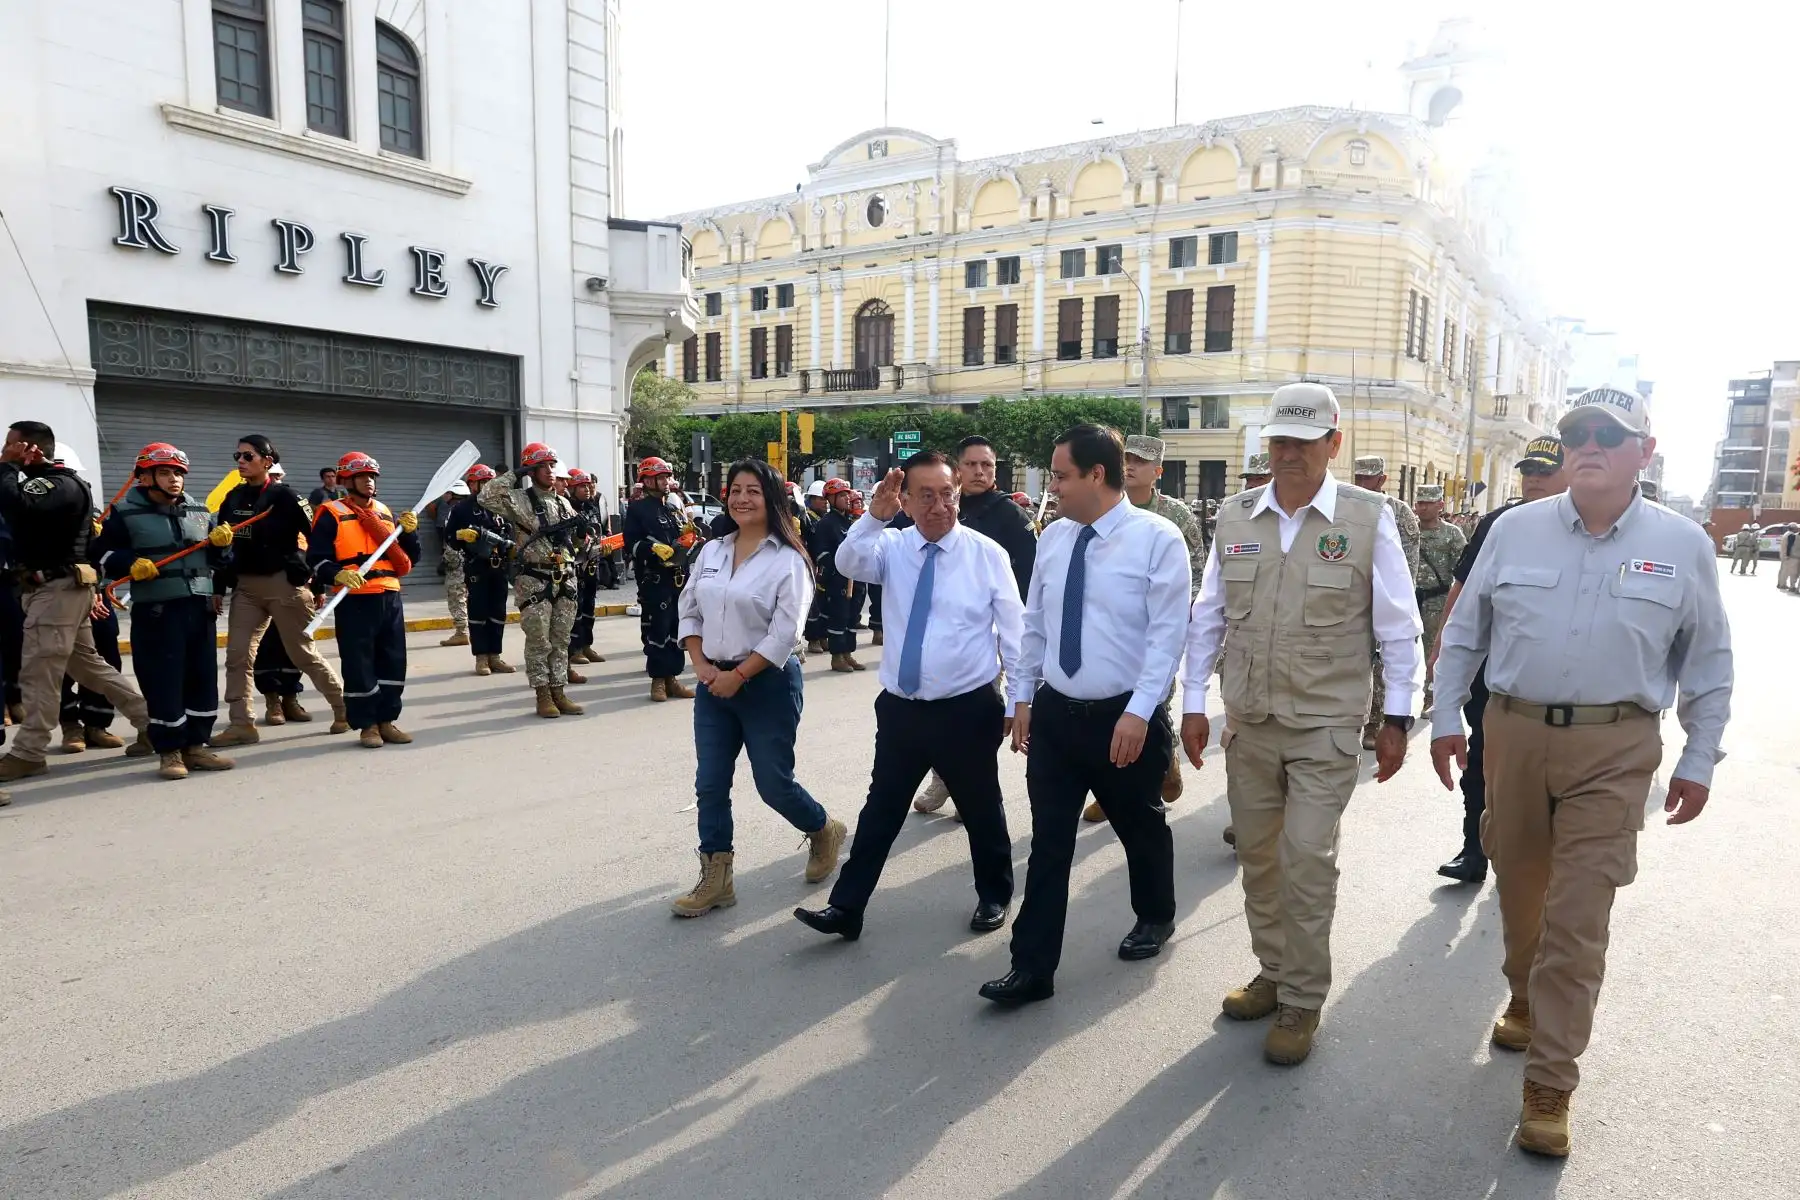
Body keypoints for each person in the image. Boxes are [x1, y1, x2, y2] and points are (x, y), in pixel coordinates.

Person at [1430, 387, 1732, 1158]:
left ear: (1645, 452)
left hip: (1616, 746)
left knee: (1579, 913)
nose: (1589, 445)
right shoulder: (1514, 529)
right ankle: (1525, 996)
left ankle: (1551, 1080)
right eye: (1578, 434)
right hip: (1514, 733)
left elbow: (1708, 659)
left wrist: (1700, 754)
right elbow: (1465, 632)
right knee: (1520, 887)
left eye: (1609, 434)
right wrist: (1443, 718)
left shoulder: (1683, 543)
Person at [1178, 383, 1423, 1064]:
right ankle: (1274, 969)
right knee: (1259, 858)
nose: (1287, 454)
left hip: (1326, 724)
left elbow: (1398, 627)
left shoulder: (1368, 518)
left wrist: (1398, 717)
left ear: (1332, 444)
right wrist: (1192, 702)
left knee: (1307, 858)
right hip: (1250, 721)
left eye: (1303, 442)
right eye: (1279, 441)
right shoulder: (1236, 517)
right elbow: (1209, 616)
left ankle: (1302, 998)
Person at [980, 424, 1191, 1007]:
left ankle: (1156, 914)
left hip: (1123, 718)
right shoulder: (1054, 538)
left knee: (1140, 827)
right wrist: (1023, 698)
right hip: (1056, 717)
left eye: (1061, 475)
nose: (1053, 486)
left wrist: (1140, 713)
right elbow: (1036, 624)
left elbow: (1167, 636)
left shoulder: (1157, 539)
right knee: (1049, 842)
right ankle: (1032, 967)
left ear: (1098, 475)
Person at [796, 453, 1023, 940]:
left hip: (967, 708)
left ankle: (994, 894)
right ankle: (847, 908)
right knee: (880, 810)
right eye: (926, 496)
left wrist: (1020, 699)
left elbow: (1014, 632)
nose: (939, 506)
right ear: (905, 501)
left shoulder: (986, 554)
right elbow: (847, 562)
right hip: (902, 709)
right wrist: (874, 516)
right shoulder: (892, 546)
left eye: (948, 495)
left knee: (981, 807)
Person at [670, 458, 846, 917]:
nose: (742, 498)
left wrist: (739, 675)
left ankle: (823, 828)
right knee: (710, 784)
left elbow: (785, 633)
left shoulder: (789, 560)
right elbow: (689, 609)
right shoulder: (712, 551)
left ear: (771, 499)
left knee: (773, 785)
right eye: (735, 490)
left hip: (767, 685)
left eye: (752, 490)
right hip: (714, 685)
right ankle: (717, 878)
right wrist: (701, 665)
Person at [1429, 436, 1567, 885]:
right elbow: (1464, 587)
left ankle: (1536, 856)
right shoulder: (1499, 524)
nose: (1534, 479)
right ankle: (1474, 850)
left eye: (1545, 471)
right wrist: (1443, 643)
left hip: (1554, 675)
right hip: (1494, 666)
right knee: (1483, 760)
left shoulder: (1586, 528)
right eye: (1529, 471)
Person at [0, 422, 152, 792]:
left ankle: (29, 751)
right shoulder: (45, 484)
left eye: (10, 445)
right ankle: (152, 723)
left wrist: (7, 466)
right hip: (55, 590)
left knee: (38, 671)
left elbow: (14, 504)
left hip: (56, 592)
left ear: (30, 449)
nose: (4, 451)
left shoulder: (57, 485)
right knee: (87, 666)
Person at [913, 434, 1040, 818]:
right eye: (971, 464)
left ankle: (969, 786)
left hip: (989, 634)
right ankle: (944, 777)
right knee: (933, 713)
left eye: (987, 465)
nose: (980, 472)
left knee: (977, 716)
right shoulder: (936, 507)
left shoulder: (1010, 516)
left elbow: (1031, 577)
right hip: (933, 632)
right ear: (957, 468)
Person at [93, 443, 236, 781]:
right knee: (163, 680)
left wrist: (224, 545)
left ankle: (196, 746)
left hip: (199, 607)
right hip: (157, 611)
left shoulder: (200, 511)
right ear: (144, 478)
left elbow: (222, 563)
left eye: (178, 473)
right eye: (165, 472)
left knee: (202, 678)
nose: (174, 479)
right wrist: (129, 563)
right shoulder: (124, 513)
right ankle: (169, 751)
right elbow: (99, 554)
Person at [1084, 432, 1206, 816]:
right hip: (1112, 629)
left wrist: (1177, 618)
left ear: (1158, 471)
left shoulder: (1176, 516)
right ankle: (1111, 791)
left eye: (1141, 461)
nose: (1131, 466)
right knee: (1109, 705)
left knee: (1153, 703)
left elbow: (1197, 573)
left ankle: (1157, 772)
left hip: (1157, 629)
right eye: (1127, 458)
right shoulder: (1101, 508)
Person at [210, 434, 350, 747]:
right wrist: (218, 586)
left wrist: (315, 579)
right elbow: (222, 548)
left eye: (248, 456)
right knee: (237, 657)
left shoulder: (287, 497)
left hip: (284, 585)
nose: (241, 462)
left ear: (267, 461)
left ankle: (343, 708)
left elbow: (318, 537)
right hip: (246, 587)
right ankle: (242, 724)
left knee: (303, 653)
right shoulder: (232, 498)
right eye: (238, 456)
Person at [307, 452, 422, 749]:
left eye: (372, 477)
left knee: (393, 660)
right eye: (362, 476)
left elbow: (410, 558)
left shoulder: (385, 512)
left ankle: (387, 721)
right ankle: (367, 725)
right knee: (359, 663)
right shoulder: (330, 512)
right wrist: (337, 574)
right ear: (347, 480)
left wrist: (410, 534)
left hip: (389, 595)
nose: (369, 482)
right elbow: (316, 557)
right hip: (354, 598)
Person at [480, 444, 588, 719]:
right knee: (539, 641)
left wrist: (581, 535)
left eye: (552, 466)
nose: (550, 471)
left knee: (561, 640)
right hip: (535, 580)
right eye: (542, 467)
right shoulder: (518, 499)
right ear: (531, 470)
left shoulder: (563, 502)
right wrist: (516, 474)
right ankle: (543, 695)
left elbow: (575, 544)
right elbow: (485, 496)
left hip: (565, 578)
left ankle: (559, 691)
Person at [1351, 455, 1422, 749]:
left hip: (1386, 600)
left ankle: (1375, 723)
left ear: (1382, 479)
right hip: (1352, 602)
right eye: (1358, 478)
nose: (1362, 483)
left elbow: (1406, 567)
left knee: (1383, 666)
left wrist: (1399, 609)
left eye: (1368, 478)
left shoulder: (1399, 512)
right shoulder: (1347, 506)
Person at [625, 456, 694, 702]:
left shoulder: (673, 507)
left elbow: (680, 537)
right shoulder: (638, 509)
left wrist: (690, 537)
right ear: (647, 481)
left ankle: (672, 678)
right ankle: (658, 681)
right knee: (658, 629)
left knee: (677, 628)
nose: (666, 482)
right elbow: (630, 544)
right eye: (661, 477)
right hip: (655, 578)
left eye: (667, 477)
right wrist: (651, 549)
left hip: (678, 577)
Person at [445, 465, 516, 676]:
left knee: (498, 612)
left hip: (500, 566)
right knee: (478, 612)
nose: (487, 486)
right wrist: (461, 536)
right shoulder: (462, 509)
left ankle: (495, 656)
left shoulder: (502, 506)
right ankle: (481, 657)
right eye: (483, 482)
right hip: (477, 566)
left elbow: (513, 533)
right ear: (472, 484)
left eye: (490, 481)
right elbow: (450, 537)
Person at [1412, 483, 1466, 708]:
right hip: (1409, 601)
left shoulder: (1452, 534)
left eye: (1428, 503)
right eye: (1420, 503)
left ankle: (1430, 695)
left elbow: (1463, 572)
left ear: (1440, 505)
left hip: (1437, 603)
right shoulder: (1408, 530)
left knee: (1432, 651)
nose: (1422, 508)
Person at [810, 478, 868, 673]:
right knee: (839, 617)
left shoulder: (850, 522)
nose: (846, 498)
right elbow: (821, 553)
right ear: (830, 499)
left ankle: (848, 653)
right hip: (838, 579)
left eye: (847, 495)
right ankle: (837, 657)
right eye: (841, 495)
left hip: (855, 577)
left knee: (852, 617)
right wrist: (839, 567)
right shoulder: (826, 524)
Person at [566, 468, 607, 664]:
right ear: (572, 489)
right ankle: (575, 649)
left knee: (589, 608)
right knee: (577, 609)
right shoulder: (567, 508)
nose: (588, 489)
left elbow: (599, 531)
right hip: (576, 567)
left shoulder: (592, 507)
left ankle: (586, 646)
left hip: (592, 564)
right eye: (582, 486)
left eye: (588, 485)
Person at [437, 478, 473, 648]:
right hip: (472, 561)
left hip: (458, 561)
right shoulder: (472, 509)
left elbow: (453, 540)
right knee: (468, 596)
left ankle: (461, 632)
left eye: (446, 492)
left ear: (452, 494)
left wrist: (447, 561)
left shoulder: (454, 512)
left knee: (456, 596)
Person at [1778, 524, 1800, 592]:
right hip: (1791, 556)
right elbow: (1789, 546)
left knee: (1786, 571)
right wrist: (1787, 555)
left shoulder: (1789, 534)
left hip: (1788, 555)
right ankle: (1785, 585)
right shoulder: (1792, 535)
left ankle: (1781, 584)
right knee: (1790, 572)